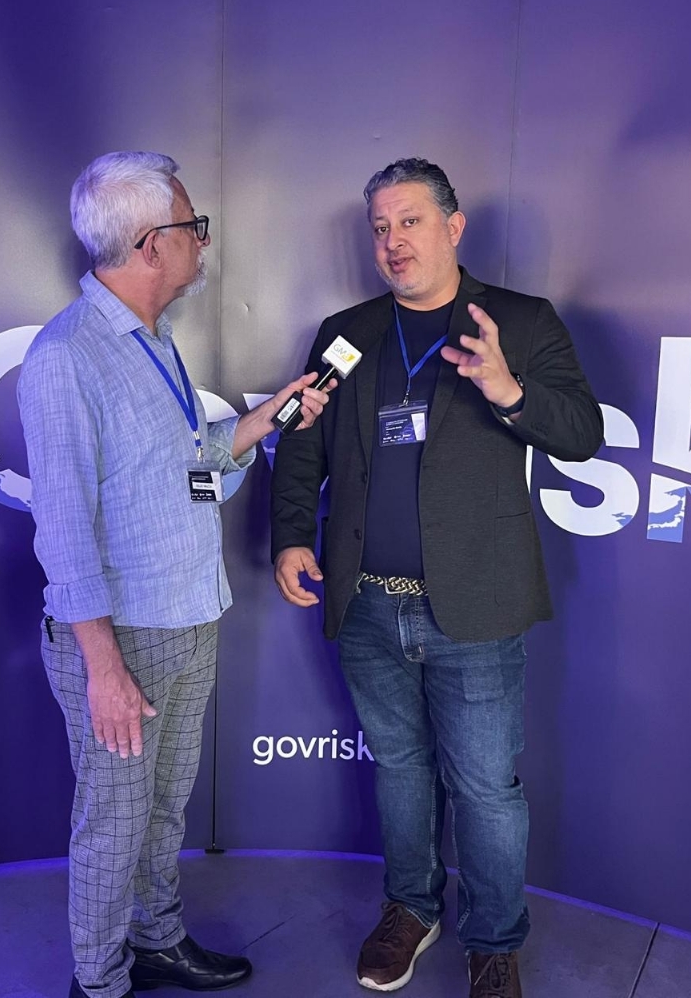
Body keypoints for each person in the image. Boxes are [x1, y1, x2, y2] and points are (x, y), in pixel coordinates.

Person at [270, 158, 603, 998]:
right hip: (366, 605)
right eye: (380, 227)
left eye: (410, 221)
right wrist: (291, 537)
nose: (393, 242)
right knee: (400, 771)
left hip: (476, 608)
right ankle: (411, 909)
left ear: (453, 227)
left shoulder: (519, 321)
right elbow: (302, 439)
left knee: (486, 789)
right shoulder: (346, 333)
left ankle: (494, 943)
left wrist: (508, 389)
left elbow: (582, 434)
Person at [18, 150, 333, 998]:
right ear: (152, 244)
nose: (204, 240)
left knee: (163, 810)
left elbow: (184, 469)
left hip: (188, 616)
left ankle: (156, 941)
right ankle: (99, 982)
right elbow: (64, 533)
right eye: (194, 226)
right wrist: (103, 667)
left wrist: (259, 427)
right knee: (114, 823)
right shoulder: (66, 357)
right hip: (121, 640)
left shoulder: (152, 340)